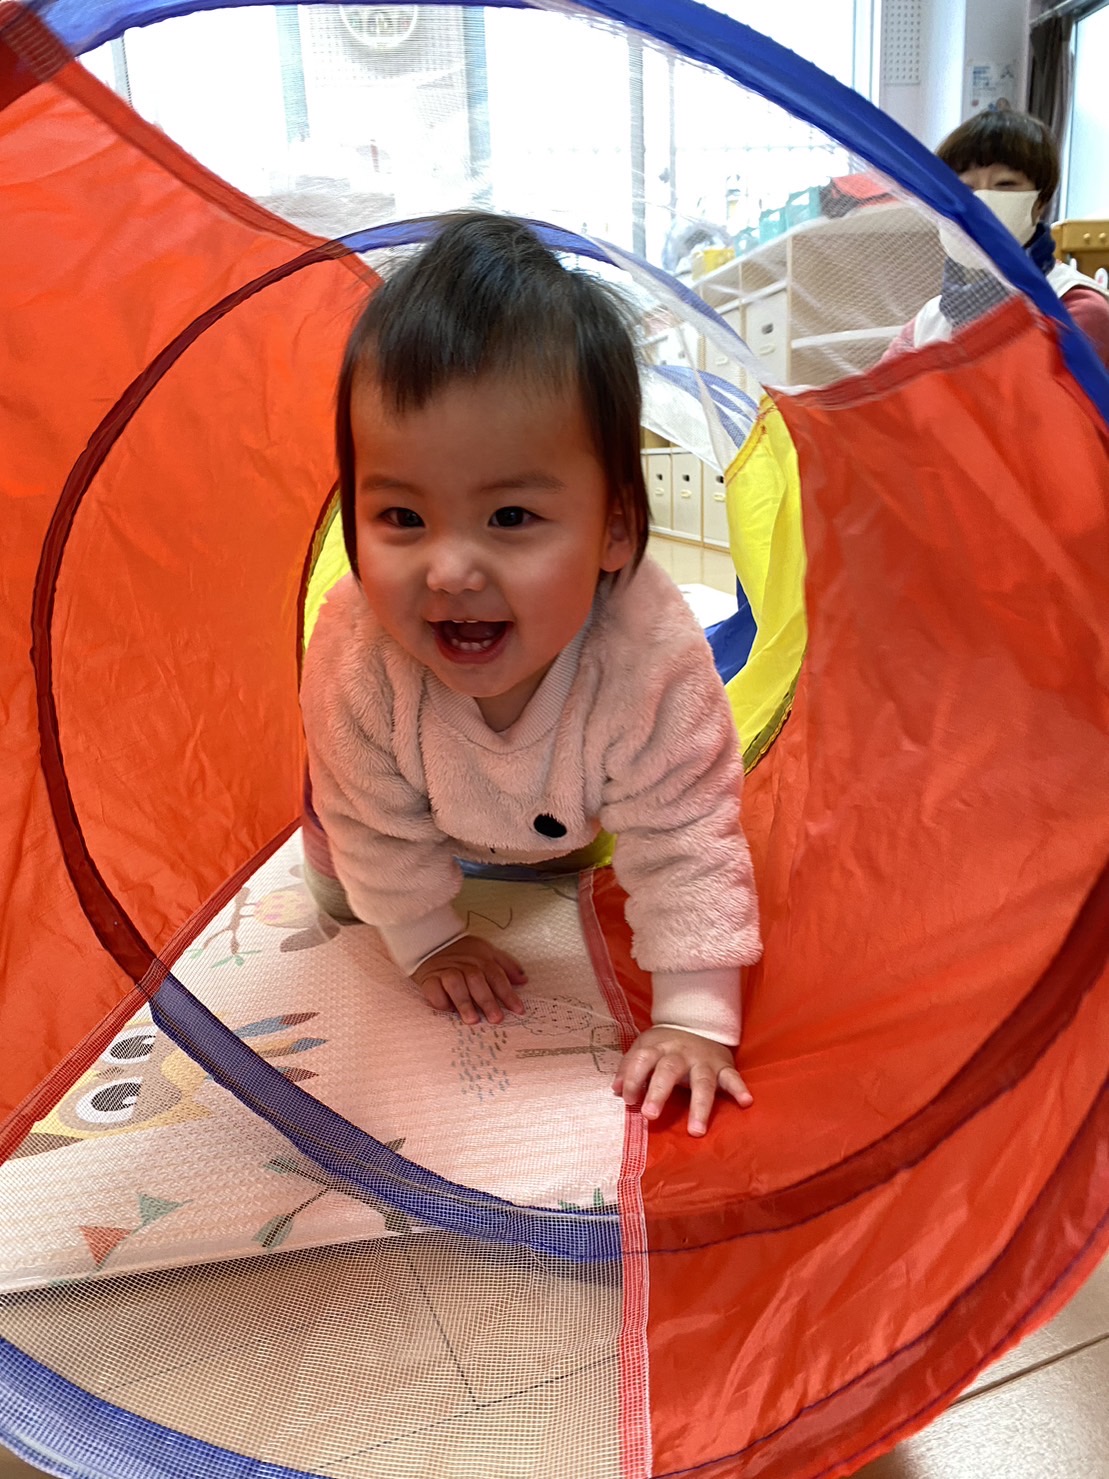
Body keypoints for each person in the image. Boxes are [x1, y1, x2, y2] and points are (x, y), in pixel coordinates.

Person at [300, 212, 762, 1137]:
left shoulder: (647, 656)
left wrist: (692, 1015)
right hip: (406, 830)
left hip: (573, 822)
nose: (449, 571)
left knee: (618, 856)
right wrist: (428, 942)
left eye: (509, 517)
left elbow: (686, 834)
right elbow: (367, 820)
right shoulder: (356, 651)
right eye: (400, 517)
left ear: (615, 529)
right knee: (342, 888)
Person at [885, 109, 1109, 367]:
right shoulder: (928, 321)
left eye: (1005, 184)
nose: (982, 201)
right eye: (963, 188)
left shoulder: (1074, 307)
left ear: (1040, 202)